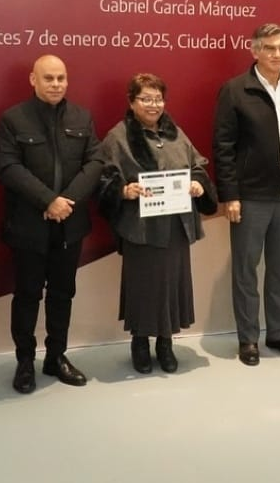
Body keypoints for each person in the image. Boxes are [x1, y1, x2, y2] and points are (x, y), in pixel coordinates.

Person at [0, 55, 103, 393]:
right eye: (49, 78)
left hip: (69, 224)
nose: (56, 84)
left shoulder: (82, 117)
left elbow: (96, 162)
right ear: (33, 80)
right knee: (27, 295)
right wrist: (48, 201)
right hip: (29, 226)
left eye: (61, 78)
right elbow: (8, 167)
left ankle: (56, 357)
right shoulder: (13, 119)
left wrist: (66, 201)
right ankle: (25, 361)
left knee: (62, 293)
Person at [213, 22, 280, 366]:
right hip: (250, 196)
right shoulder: (235, 90)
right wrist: (230, 195)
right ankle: (248, 339)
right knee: (246, 270)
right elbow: (223, 147)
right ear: (255, 50)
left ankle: (278, 334)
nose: (277, 54)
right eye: (270, 48)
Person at [97, 74, 217, 374]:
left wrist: (198, 184)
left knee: (172, 286)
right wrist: (124, 190)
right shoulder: (118, 137)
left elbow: (198, 165)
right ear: (131, 102)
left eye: (158, 99)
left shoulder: (175, 133)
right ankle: (140, 343)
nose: (153, 105)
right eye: (146, 99)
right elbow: (103, 178)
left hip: (176, 226)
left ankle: (165, 343)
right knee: (143, 287)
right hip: (141, 229)